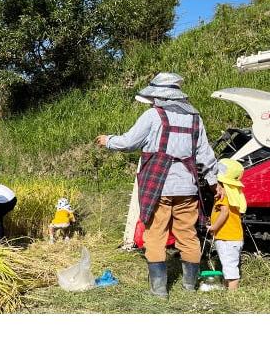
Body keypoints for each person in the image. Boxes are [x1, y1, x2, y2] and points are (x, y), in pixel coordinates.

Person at [96, 72, 218, 298]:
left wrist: (108, 140)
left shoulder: (153, 116)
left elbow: (129, 142)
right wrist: (213, 182)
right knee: (188, 235)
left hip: (158, 187)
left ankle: (159, 290)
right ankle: (190, 286)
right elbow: (205, 154)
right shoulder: (194, 117)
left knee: (155, 235)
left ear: (158, 96)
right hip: (188, 187)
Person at [208, 158, 246, 290]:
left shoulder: (223, 195)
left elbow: (224, 212)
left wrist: (214, 227)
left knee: (230, 267)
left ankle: (233, 293)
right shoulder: (235, 194)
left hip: (226, 238)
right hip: (235, 237)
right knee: (230, 264)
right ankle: (227, 287)